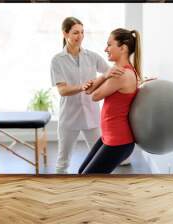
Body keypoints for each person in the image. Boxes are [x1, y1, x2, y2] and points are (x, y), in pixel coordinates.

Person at [50, 17, 125, 174]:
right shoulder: (57, 60)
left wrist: (137, 78)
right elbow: (62, 90)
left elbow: (110, 72)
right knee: (62, 162)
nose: (80, 36)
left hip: (91, 115)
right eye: (75, 32)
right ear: (65, 33)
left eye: (82, 32)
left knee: (99, 156)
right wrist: (81, 87)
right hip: (69, 117)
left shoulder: (92, 56)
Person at [78, 28, 142, 174]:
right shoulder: (117, 70)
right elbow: (88, 90)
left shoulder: (121, 74)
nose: (105, 49)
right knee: (81, 173)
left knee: (88, 178)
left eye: (109, 45)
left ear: (123, 48)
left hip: (118, 142)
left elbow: (95, 96)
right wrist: (105, 75)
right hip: (109, 136)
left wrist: (105, 76)